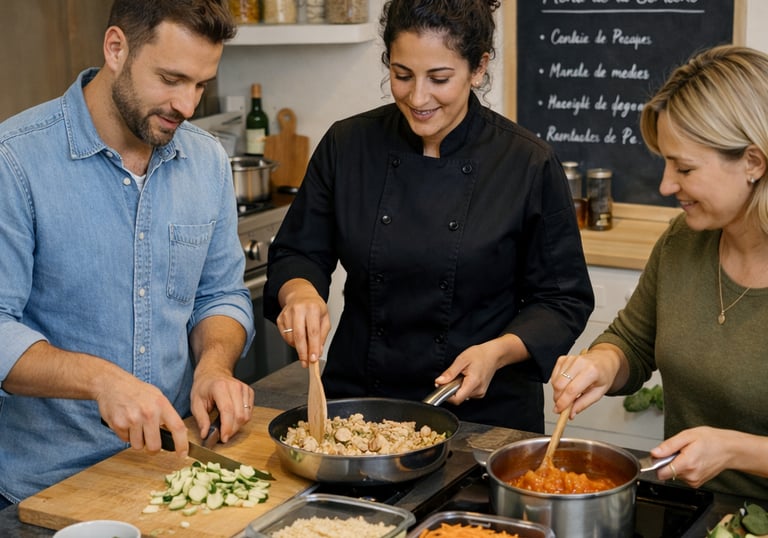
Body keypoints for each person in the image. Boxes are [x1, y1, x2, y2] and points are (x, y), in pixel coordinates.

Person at [264, 0, 594, 431]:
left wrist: (496, 352)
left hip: (485, 417)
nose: (417, 98)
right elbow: (298, 251)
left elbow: (561, 299)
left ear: (478, 67)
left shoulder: (526, 162)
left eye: (439, 78)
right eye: (402, 75)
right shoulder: (348, 146)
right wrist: (300, 293)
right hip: (360, 408)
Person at [0, 0, 256, 507]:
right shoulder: (15, 161)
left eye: (201, 84)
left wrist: (214, 366)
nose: (187, 104)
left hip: (173, 475)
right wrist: (101, 381)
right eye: (171, 78)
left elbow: (220, 294)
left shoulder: (205, 159)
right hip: (45, 489)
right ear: (116, 47)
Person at [551, 45, 768, 500]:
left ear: (753, 162)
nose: (667, 186)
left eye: (684, 168)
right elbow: (633, 341)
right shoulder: (683, 240)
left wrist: (735, 450)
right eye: (666, 162)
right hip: (695, 511)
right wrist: (600, 365)